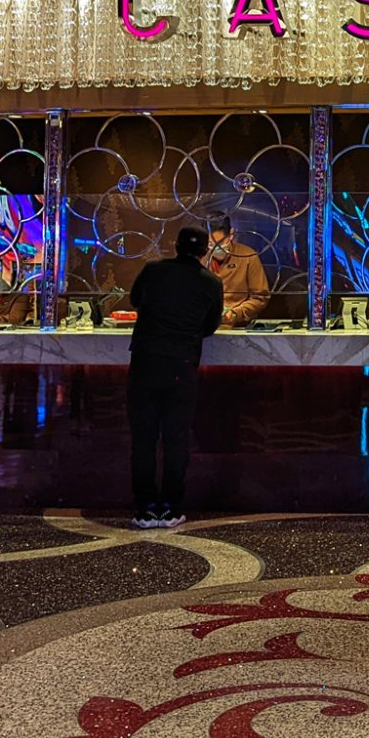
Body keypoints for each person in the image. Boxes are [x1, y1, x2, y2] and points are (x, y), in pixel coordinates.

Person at [125, 226, 225, 529]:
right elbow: (210, 326)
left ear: (176, 245)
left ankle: (144, 509)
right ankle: (170, 508)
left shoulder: (153, 270)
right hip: (181, 365)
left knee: (143, 439)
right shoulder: (211, 282)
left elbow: (134, 300)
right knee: (176, 439)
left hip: (144, 362)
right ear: (205, 251)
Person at [205, 219, 273, 327]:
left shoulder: (248, 256)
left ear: (231, 234)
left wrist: (234, 314)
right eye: (210, 244)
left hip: (238, 327)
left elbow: (260, 297)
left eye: (220, 243)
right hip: (203, 327)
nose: (215, 248)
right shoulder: (200, 258)